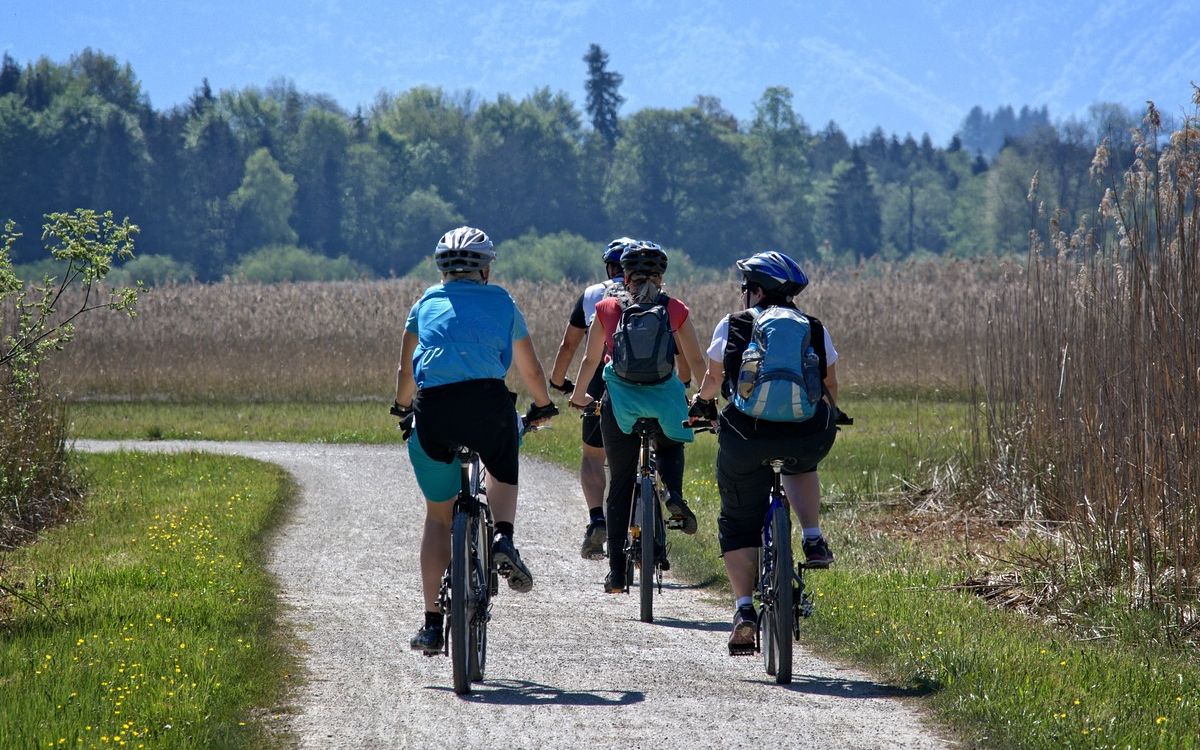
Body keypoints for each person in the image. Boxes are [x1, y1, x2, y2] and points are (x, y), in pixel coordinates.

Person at [394, 226, 559, 654]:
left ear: (442, 270)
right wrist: (542, 406)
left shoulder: (425, 303)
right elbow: (532, 370)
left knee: (437, 517)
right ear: (485, 269)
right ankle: (503, 536)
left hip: (434, 411)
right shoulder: (502, 302)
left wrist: (402, 407)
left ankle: (431, 623)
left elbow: (405, 375)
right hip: (488, 405)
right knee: (503, 459)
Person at [686, 251, 840, 653]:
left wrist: (702, 406)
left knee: (737, 521)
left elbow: (714, 378)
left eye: (745, 287)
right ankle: (812, 537)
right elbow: (829, 387)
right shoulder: (813, 327)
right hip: (807, 434)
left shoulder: (735, 323)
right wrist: (825, 418)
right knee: (802, 465)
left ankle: (743, 610)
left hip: (746, 436)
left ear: (756, 290)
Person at [568, 240, 706, 593]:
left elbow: (589, 360)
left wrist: (580, 393)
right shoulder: (674, 309)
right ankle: (673, 492)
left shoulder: (607, 307)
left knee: (620, 485)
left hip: (621, 404)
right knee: (673, 442)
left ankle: (616, 573)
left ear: (623, 274)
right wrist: (700, 397)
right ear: (661, 276)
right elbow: (697, 363)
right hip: (664, 401)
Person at [547, 237, 633, 560]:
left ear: (609, 267)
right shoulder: (653, 294)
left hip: (600, 380)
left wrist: (559, 381)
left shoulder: (593, 295)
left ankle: (598, 518)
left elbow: (569, 346)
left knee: (593, 455)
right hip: (646, 383)